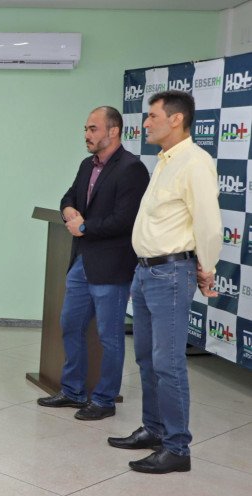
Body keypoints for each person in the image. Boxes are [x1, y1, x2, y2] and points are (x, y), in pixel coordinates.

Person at [107, 90, 222, 474]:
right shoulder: (164, 162)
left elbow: (208, 223)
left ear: (176, 119)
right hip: (145, 271)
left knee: (168, 362)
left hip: (171, 273)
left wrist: (208, 269)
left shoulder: (195, 162)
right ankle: (153, 429)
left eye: (153, 115)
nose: (147, 122)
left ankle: (177, 448)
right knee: (145, 356)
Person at [37, 107, 149, 420]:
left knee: (109, 337)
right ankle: (72, 391)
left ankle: (103, 400)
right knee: (70, 325)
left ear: (113, 131)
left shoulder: (132, 169)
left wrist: (85, 227)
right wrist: (69, 211)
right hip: (81, 263)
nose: (87, 135)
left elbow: (126, 220)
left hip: (111, 267)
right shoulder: (87, 165)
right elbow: (68, 197)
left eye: (93, 128)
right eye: (85, 128)